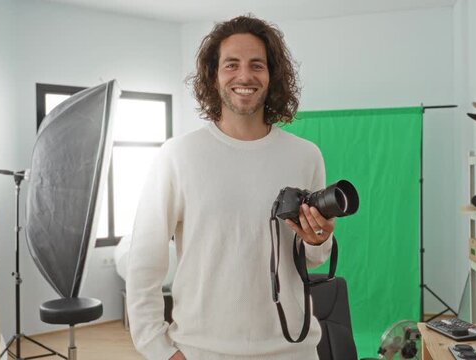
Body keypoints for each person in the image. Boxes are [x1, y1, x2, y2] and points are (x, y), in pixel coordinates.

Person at [126, 15, 335, 360]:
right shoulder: (178, 156)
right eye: (231, 64)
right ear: (213, 75)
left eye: (257, 65)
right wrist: (160, 350)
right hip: (202, 351)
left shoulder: (305, 156)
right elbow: (144, 265)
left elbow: (313, 258)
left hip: (293, 350)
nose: (245, 76)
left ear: (272, 75)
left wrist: (320, 238)